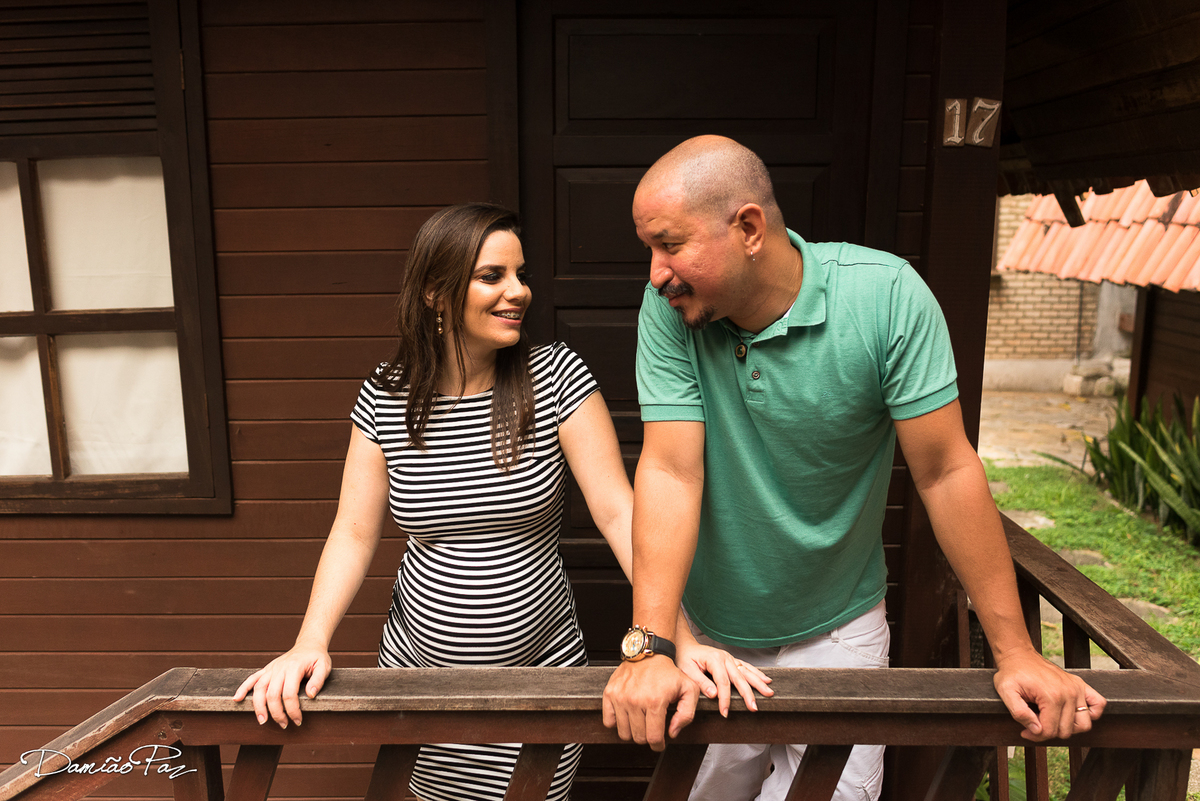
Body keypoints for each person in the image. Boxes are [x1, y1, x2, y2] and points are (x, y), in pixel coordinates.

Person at [601, 136, 1107, 801]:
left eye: (670, 244)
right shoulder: (671, 310)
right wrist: (652, 646)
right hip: (711, 632)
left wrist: (1016, 653)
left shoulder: (885, 296)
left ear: (749, 228)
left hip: (839, 626)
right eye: (649, 248)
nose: (655, 273)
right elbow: (671, 470)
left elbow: (946, 471)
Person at [234, 202, 649, 801]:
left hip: (540, 682)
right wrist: (310, 642)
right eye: (492, 276)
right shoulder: (386, 395)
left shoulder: (556, 377)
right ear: (436, 292)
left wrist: (670, 636)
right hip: (420, 689)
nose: (518, 291)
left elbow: (619, 512)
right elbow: (353, 532)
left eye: (521, 274)